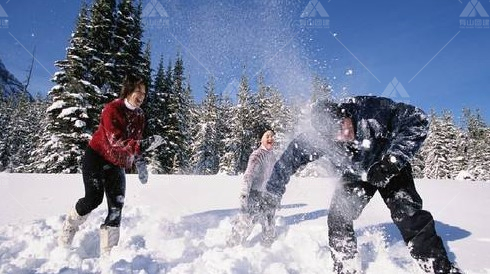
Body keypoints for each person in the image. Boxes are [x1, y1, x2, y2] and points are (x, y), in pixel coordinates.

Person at [261, 96, 462, 274]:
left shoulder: (371, 110)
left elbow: (417, 120)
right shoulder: (318, 139)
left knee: (408, 215)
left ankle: (439, 267)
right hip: (356, 174)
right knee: (339, 217)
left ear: (345, 113)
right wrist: (271, 194)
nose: (343, 135)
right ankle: (346, 266)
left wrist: (390, 163)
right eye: (334, 135)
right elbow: (286, 162)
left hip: (390, 167)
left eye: (342, 126)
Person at [58, 75, 163, 255]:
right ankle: (70, 225)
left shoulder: (140, 115)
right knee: (93, 199)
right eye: (139, 91)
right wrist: (142, 145)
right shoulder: (112, 109)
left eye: (144, 94)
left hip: (117, 163)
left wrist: (140, 163)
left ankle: (109, 254)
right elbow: (116, 140)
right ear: (128, 90)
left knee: (116, 206)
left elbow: (135, 142)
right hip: (97, 157)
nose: (142, 97)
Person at [227, 128, 277, 247]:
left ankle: (268, 247)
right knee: (246, 222)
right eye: (267, 136)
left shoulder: (272, 156)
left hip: (267, 195)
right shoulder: (257, 155)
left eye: (272, 136)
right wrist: (245, 191)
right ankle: (232, 246)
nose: (270, 138)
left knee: (269, 222)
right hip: (254, 193)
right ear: (261, 139)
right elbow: (248, 174)